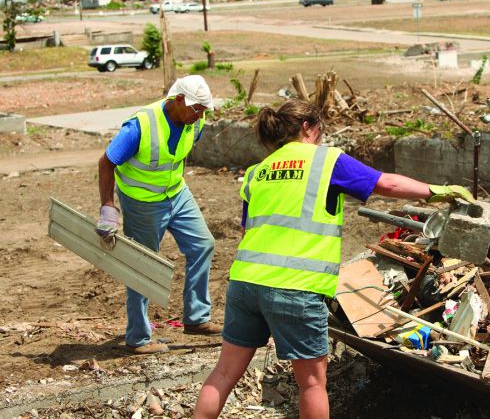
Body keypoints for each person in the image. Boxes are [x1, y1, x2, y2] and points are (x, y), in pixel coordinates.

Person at [193, 99, 473, 418]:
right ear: (308, 128)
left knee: (225, 374)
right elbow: (386, 184)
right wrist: (438, 190)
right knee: (312, 385)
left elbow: (249, 232)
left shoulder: (258, 172)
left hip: (244, 285)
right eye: (321, 130)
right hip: (296, 288)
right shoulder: (326, 161)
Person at [96, 75, 222, 355]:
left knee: (203, 244)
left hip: (177, 193)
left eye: (203, 109)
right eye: (196, 108)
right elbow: (106, 163)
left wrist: (174, 182)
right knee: (144, 265)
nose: (200, 115)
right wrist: (108, 206)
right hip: (142, 203)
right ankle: (138, 337)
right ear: (178, 100)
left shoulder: (195, 121)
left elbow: (176, 155)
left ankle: (196, 319)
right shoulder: (139, 127)